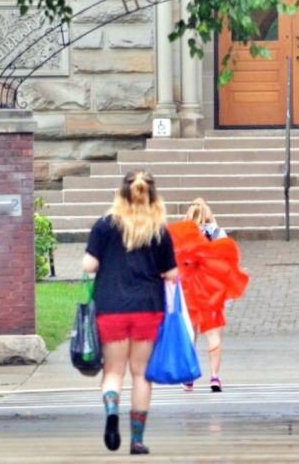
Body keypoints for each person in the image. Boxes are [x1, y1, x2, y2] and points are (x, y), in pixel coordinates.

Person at [82, 171, 178, 455]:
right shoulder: (159, 230)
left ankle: (112, 411)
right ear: (152, 196)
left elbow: (89, 265)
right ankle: (137, 440)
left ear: (120, 193)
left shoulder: (104, 226)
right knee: (141, 374)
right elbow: (171, 273)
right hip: (148, 308)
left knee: (113, 371)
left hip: (110, 307)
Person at [184, 197, 228, 393]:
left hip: (191, 289)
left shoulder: (184, 236)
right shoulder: (219, 234)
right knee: (213, 334)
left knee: (191, 333)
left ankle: (189, 376)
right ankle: (214, 376)